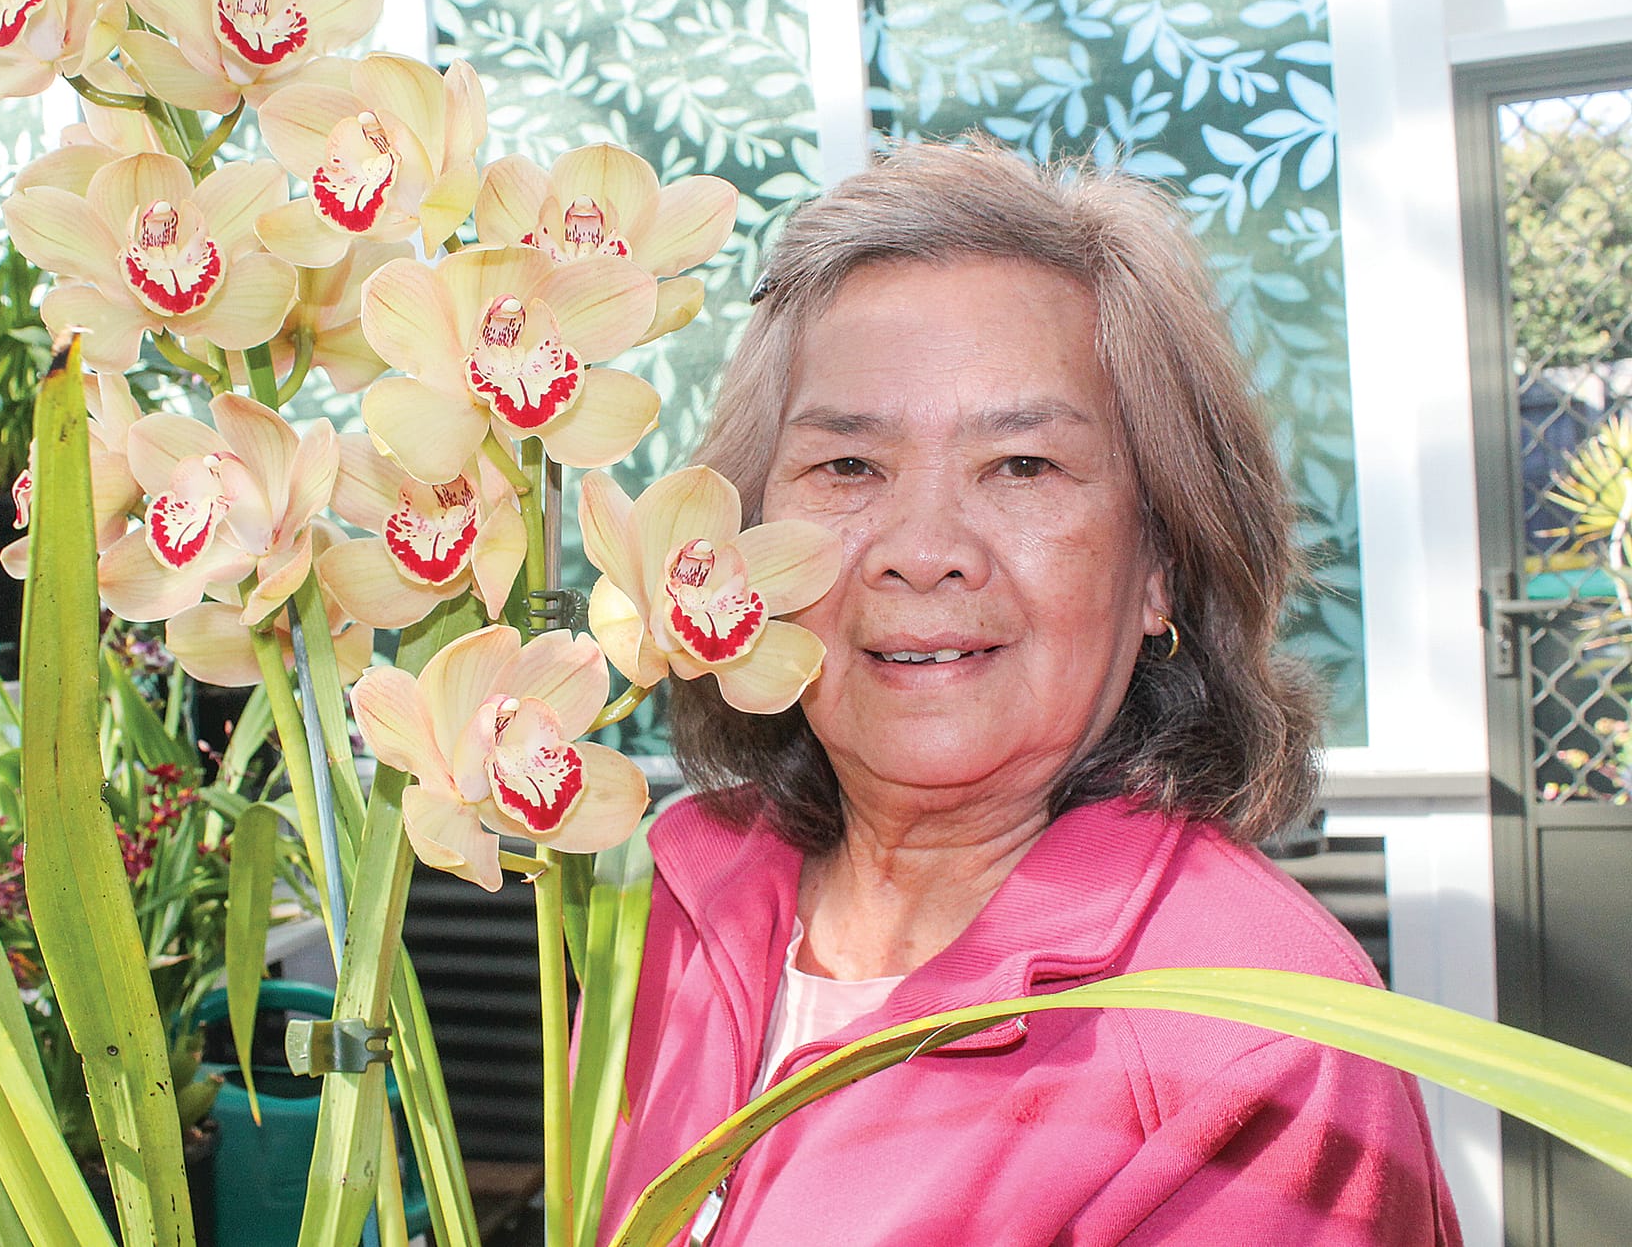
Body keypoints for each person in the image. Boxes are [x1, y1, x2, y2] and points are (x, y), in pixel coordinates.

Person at [597, 136, 1462, 1245]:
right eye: (847, 467)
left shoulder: (1253, 1045)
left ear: (1156, 563)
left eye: (1022, 466)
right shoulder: (680, 892)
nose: (921, 549)